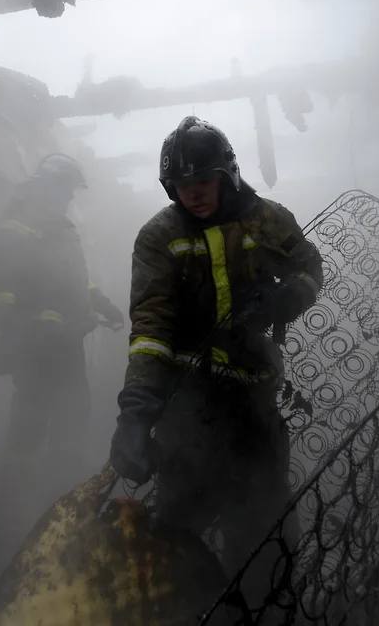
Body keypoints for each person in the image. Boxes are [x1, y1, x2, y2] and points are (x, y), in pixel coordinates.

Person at [109, 116, 323, 570]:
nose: (194, 192)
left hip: (255, 406)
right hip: (188, 409)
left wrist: (291, 296)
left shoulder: (269, 219)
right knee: (176, 538)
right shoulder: (159, 237)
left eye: (204, 179)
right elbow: (150, 328)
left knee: (266, 541)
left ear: (227, 174)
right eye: (180, 184)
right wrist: (136, 412)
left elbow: (309, 265)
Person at [0, 153, 125, 476]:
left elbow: (77, 280)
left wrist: (102, 304)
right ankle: (14, 492)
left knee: (74, 412)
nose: (70, 197)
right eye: (66, 190)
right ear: (48, 186)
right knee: (31, 418)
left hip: (67, 341)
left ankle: (59, 487)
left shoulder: (61, 228)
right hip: (35, 345)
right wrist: (17, 331)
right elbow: (1, 287)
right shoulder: (17, 227)